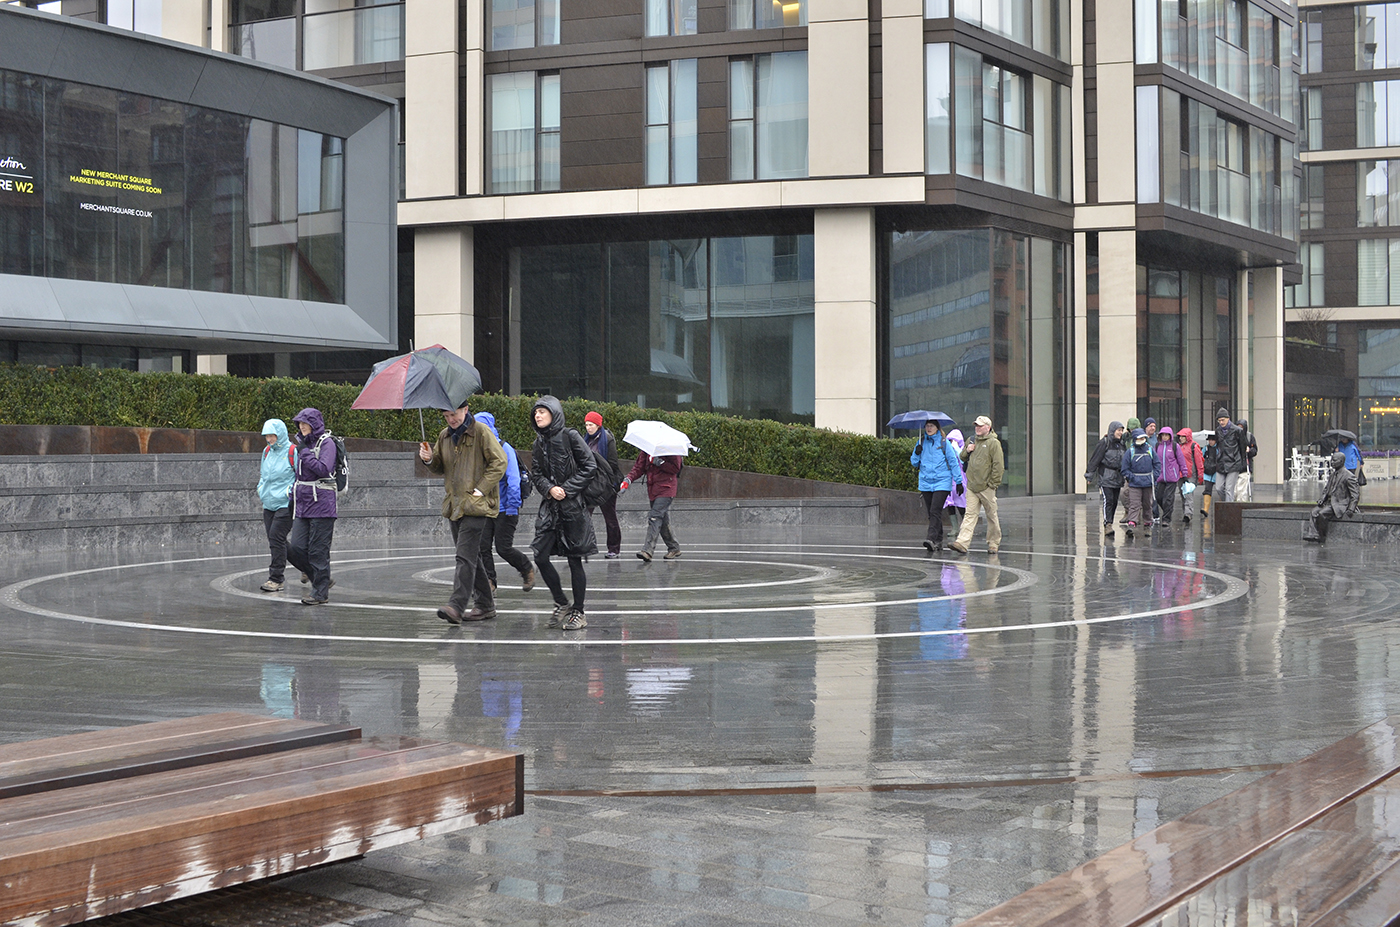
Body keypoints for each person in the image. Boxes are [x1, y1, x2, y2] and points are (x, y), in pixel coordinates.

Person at [420, 402, 507, 624]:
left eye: (455, 414)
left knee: (464, 557)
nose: (452, 419)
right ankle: (486, 606)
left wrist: (481, 489)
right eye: (447, 415)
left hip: (476, 506)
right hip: (455, 505)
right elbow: (441, 467)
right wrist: (429, 458)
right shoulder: (444, 436)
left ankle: (456, 606)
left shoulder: (481, 432)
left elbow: (500, 461)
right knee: (471, 557)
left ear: (466, 410)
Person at [529, 395, 598, 631]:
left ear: (554, 413)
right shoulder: (538, 443)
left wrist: (566, 489)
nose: (537, 415)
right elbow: (535, 474)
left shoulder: (571, 436)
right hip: (550, 508)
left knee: (574, 558)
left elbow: (590, 466)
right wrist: (549, 489)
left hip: (572, 508)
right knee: (540, 555)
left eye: (542, 411)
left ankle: (579, 611)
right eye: (536, 412)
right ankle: (561, 601)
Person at [474, 412, 535, 598]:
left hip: (505, 508)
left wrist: (512, 506)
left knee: (503, 547)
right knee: (482, 547)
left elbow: (514, 479)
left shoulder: (504, 448)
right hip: (485, 508)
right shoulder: (478, 450)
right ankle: (489, 583)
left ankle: (526, 568)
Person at [286, 408, 338, 606]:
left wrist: (305, 454)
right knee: (297, 547)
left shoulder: (327, 443)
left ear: (314, 423)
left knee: (318, 550)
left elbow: (324, 469)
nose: (301, 426)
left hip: (322, 504)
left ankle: (320, 593)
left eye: (305, 423)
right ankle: (321, 580)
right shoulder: (302, 445)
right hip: (303, 504)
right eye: (299, 423)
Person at [947, 415, 1003, 555]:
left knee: (991, 515)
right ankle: (962, 543)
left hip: (986, 487)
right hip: (972, 486)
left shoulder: (993, 443)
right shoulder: (971, 440)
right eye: (976, 425)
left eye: (980, 426)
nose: (977, 428)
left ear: (988, 428)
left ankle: (993, 543)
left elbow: (998, 465)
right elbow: (962, 457)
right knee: (970, 515)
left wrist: (992, 484)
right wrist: (967, 450)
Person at [622, 447, 684, 562]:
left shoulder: (670, 448)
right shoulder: (647, 448)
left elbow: (676, 468)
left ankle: (647, 550)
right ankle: (674, 547)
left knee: (654, 517)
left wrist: (659, 462)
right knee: (662, 520)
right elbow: (639, 467)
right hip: (653, 490)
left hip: (667, 489)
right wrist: (628, 480)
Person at [910, 419, 963, 552]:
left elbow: (953, 462)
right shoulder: (921, 442)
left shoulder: (944, 443)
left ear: (937, 428)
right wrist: (917, 453)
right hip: (926, 482)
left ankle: (931, 538)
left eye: (931, 426)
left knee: (935, 510)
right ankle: (938, 541)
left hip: (942, 482)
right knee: (932, 513)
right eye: (927, 426)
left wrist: (958, 481)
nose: (929, 428)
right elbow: (914, 463)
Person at [256, 418, 296, 592]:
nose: (269, 439)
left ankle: (276, 578)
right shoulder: (266, 452)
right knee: (278, 540)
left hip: (285, 503)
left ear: (280, 434)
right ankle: (308, 567)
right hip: (269, 503)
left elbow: (300, 476)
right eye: (267, 436)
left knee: (275, 538)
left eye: (272, 435)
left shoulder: (293, 451)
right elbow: (263, 475)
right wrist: (261, 489)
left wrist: (289, 493)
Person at [583, 411, 622, 558]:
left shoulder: (608, 440)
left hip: (606, 484)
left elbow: (612, 464)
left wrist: (598, 471)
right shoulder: (584, 440)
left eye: (591, 425)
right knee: (585, 516)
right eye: (586, 425)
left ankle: (614, 548)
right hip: (590, 484)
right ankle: (583, 547)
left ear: (598, 425)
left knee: (610, 517)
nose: (588, 428)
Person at [1306, 451, 1360, 542]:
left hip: (1340, 503)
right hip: (1329, 502)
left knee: (1322, 514)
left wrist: (1351, 509)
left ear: (1341, 461)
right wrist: (1322, 499)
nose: (1332, 463)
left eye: (1335, 460)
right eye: (1332, 460)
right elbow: (1326, 489)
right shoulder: (1332, 475)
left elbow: (1355, 494)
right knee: (1314, 511)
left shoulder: (1349, 476)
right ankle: (1313, 534)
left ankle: (1321, 536)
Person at [1085, 421, 1126, 536]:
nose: (1120, 433)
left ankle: (1110, 522)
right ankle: (1107, 524)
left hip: (1118, 478)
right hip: (1106, 477)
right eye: (1118, 430)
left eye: (1121, 430)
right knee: (1108, 500)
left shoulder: (1121, 444)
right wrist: (1090, 475)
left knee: (1114, 502)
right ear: (1113, 431)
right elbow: (1095, 460)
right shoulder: (1104, 443)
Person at [1120, 428, 1159, 538]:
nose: (1141, 439)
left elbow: (1157, 464)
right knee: (1134, 504)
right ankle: (1132, 524)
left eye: (1143, 437)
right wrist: (1131, 477)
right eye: (1139, 438)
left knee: (1147, 505)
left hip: (1148, 483)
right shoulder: (1130, 452)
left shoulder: (1150, 450)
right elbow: (1124, 468)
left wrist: (1154, 476)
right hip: (1135, 484)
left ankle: (1147, 525)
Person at [1153, 426, 1188, 525]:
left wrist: (1184, 473)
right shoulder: (1157, 446)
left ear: (1170, 436)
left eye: (1166, 435)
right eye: (1163, 435)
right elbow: (1154, 461)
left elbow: (1181, 460)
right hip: (1160, 477)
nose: (1164, 437)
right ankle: (1167, 511)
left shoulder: (1174, 446)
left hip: (1172, 477)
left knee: (1168, 498)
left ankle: (1166, 519)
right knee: (1159, 497)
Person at [1214, 409, 1250, 502]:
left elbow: (1242, 447)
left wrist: (1241, 462)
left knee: (1229, 489)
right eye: (1219, 420)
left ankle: (1228, 510)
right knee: (1218, 488)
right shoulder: (1218, 431)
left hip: (1234, 462)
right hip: (1221, 462)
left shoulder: (1237, 430)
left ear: (1228, 419)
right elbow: (1218, 445)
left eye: (1223, 420)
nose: (1221, 422)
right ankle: (1227, 503)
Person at [1175, 427, 1207, 524]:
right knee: (1183, 495)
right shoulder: (1178, 447)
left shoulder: (1194, 446)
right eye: (1180, 436)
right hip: (1180, 474)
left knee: (1188, 495)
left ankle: (1188, 514)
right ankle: (1186, 512)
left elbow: (1199, 462)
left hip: (1190, 474)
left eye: (1183, 436)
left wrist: (1200, 475)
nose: (1181, 438)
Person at [943, 429, 968, 530]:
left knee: (961, 504)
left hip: (960, 480)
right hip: (949, 479)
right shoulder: (947, 450)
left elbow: (963, 461)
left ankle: (966, 528)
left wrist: (956, 448)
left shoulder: (962, 450)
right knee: (950, 503)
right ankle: (955, 528)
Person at [1200, 431, 1220, 518]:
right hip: (1207, 472)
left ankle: (1221, 507)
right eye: (1209, 440)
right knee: (1207, 490)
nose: (1211, 442)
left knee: (1220, 490)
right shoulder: (1206, 448)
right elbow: (1201, 457)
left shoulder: (1219, 449)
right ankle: (1206, 509)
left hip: (1217, 472)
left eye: (1212, 440)